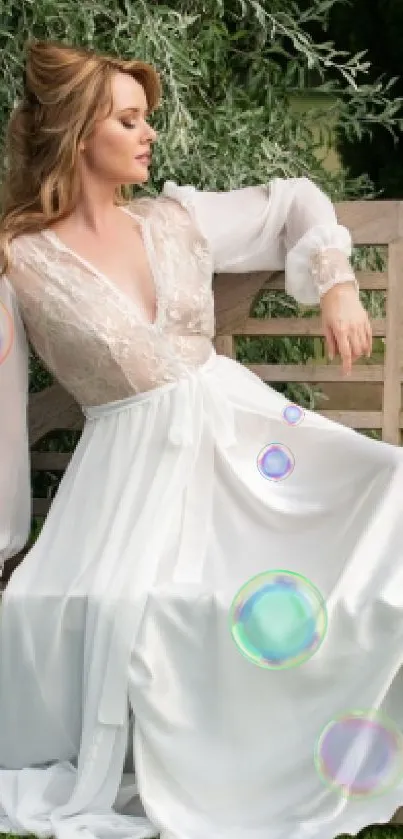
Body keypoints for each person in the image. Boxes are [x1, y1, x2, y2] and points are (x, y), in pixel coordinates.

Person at [1, 36, 403, 839]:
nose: (149, 134)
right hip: (126, 480)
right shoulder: (22, 259)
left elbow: (293, 201)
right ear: (81, 132)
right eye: (129, 119)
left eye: (146, 118)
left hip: (245, 444)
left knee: (392, 481)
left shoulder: (176, 218)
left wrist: (336, 286)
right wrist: (8, 538)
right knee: (139, 608)